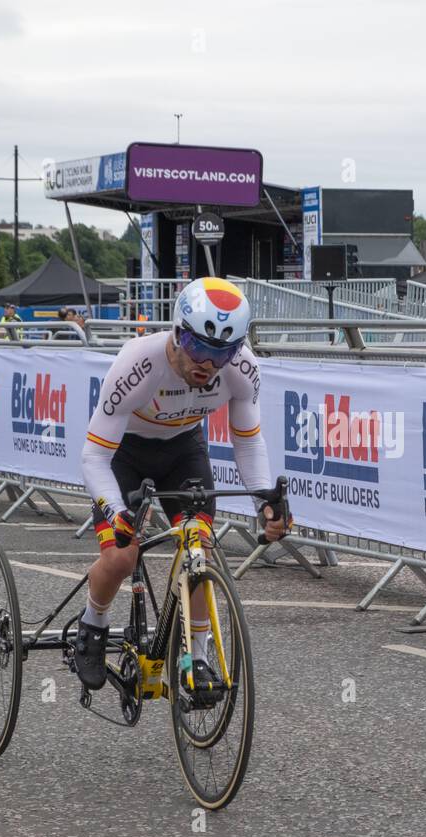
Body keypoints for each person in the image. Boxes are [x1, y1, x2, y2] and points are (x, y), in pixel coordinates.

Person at [74, 277, 291, 694]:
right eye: (197, 347)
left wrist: (264, 501)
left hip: (183, 450)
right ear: (177, 332)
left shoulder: (243, 369)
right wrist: (116, 513)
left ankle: (199, 657)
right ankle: (93, 623)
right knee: (121, 557)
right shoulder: (137, 363)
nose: (207, 364)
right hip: (124, 454)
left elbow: (248, 441)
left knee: (199, 549)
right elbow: (94, 456)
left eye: (222, 353)